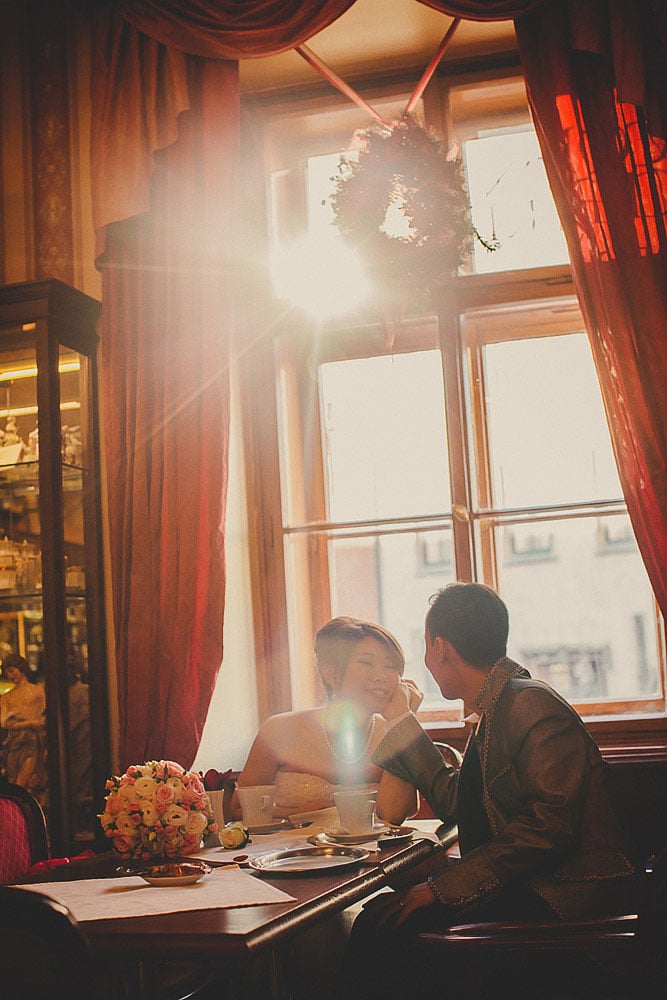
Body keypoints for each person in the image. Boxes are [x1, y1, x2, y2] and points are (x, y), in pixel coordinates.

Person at [340, 582, 637, 999]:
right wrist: (402, 720)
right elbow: (456, 801)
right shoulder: (497, 706)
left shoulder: (529, 704)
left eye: (426, 648)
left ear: (440, 648)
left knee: (383, 926)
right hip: (534, 880)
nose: (426, 661)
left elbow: (548, 828)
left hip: (568, 889)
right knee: (380, 916)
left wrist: (441, 887)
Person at [232, 616, 420, 824]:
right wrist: (298, 813)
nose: (382, 676)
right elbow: (239, 808)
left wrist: (403, 721)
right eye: (367, 662)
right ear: (330, 673)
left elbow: (396, 815)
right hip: (291, 853)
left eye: (391, 666)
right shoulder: (278, 730)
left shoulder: (395, 733)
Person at [0, 652, 47, 806]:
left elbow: (46, 715)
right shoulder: (7, 697)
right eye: (7, 671)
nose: (10, 674)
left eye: (12, 670)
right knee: (15, 783)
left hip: (32, 742)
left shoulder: (38, 691)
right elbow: (4, 723)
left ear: (21, 669)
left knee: (25, 782)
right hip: (14, 744)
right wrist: (29, 723)